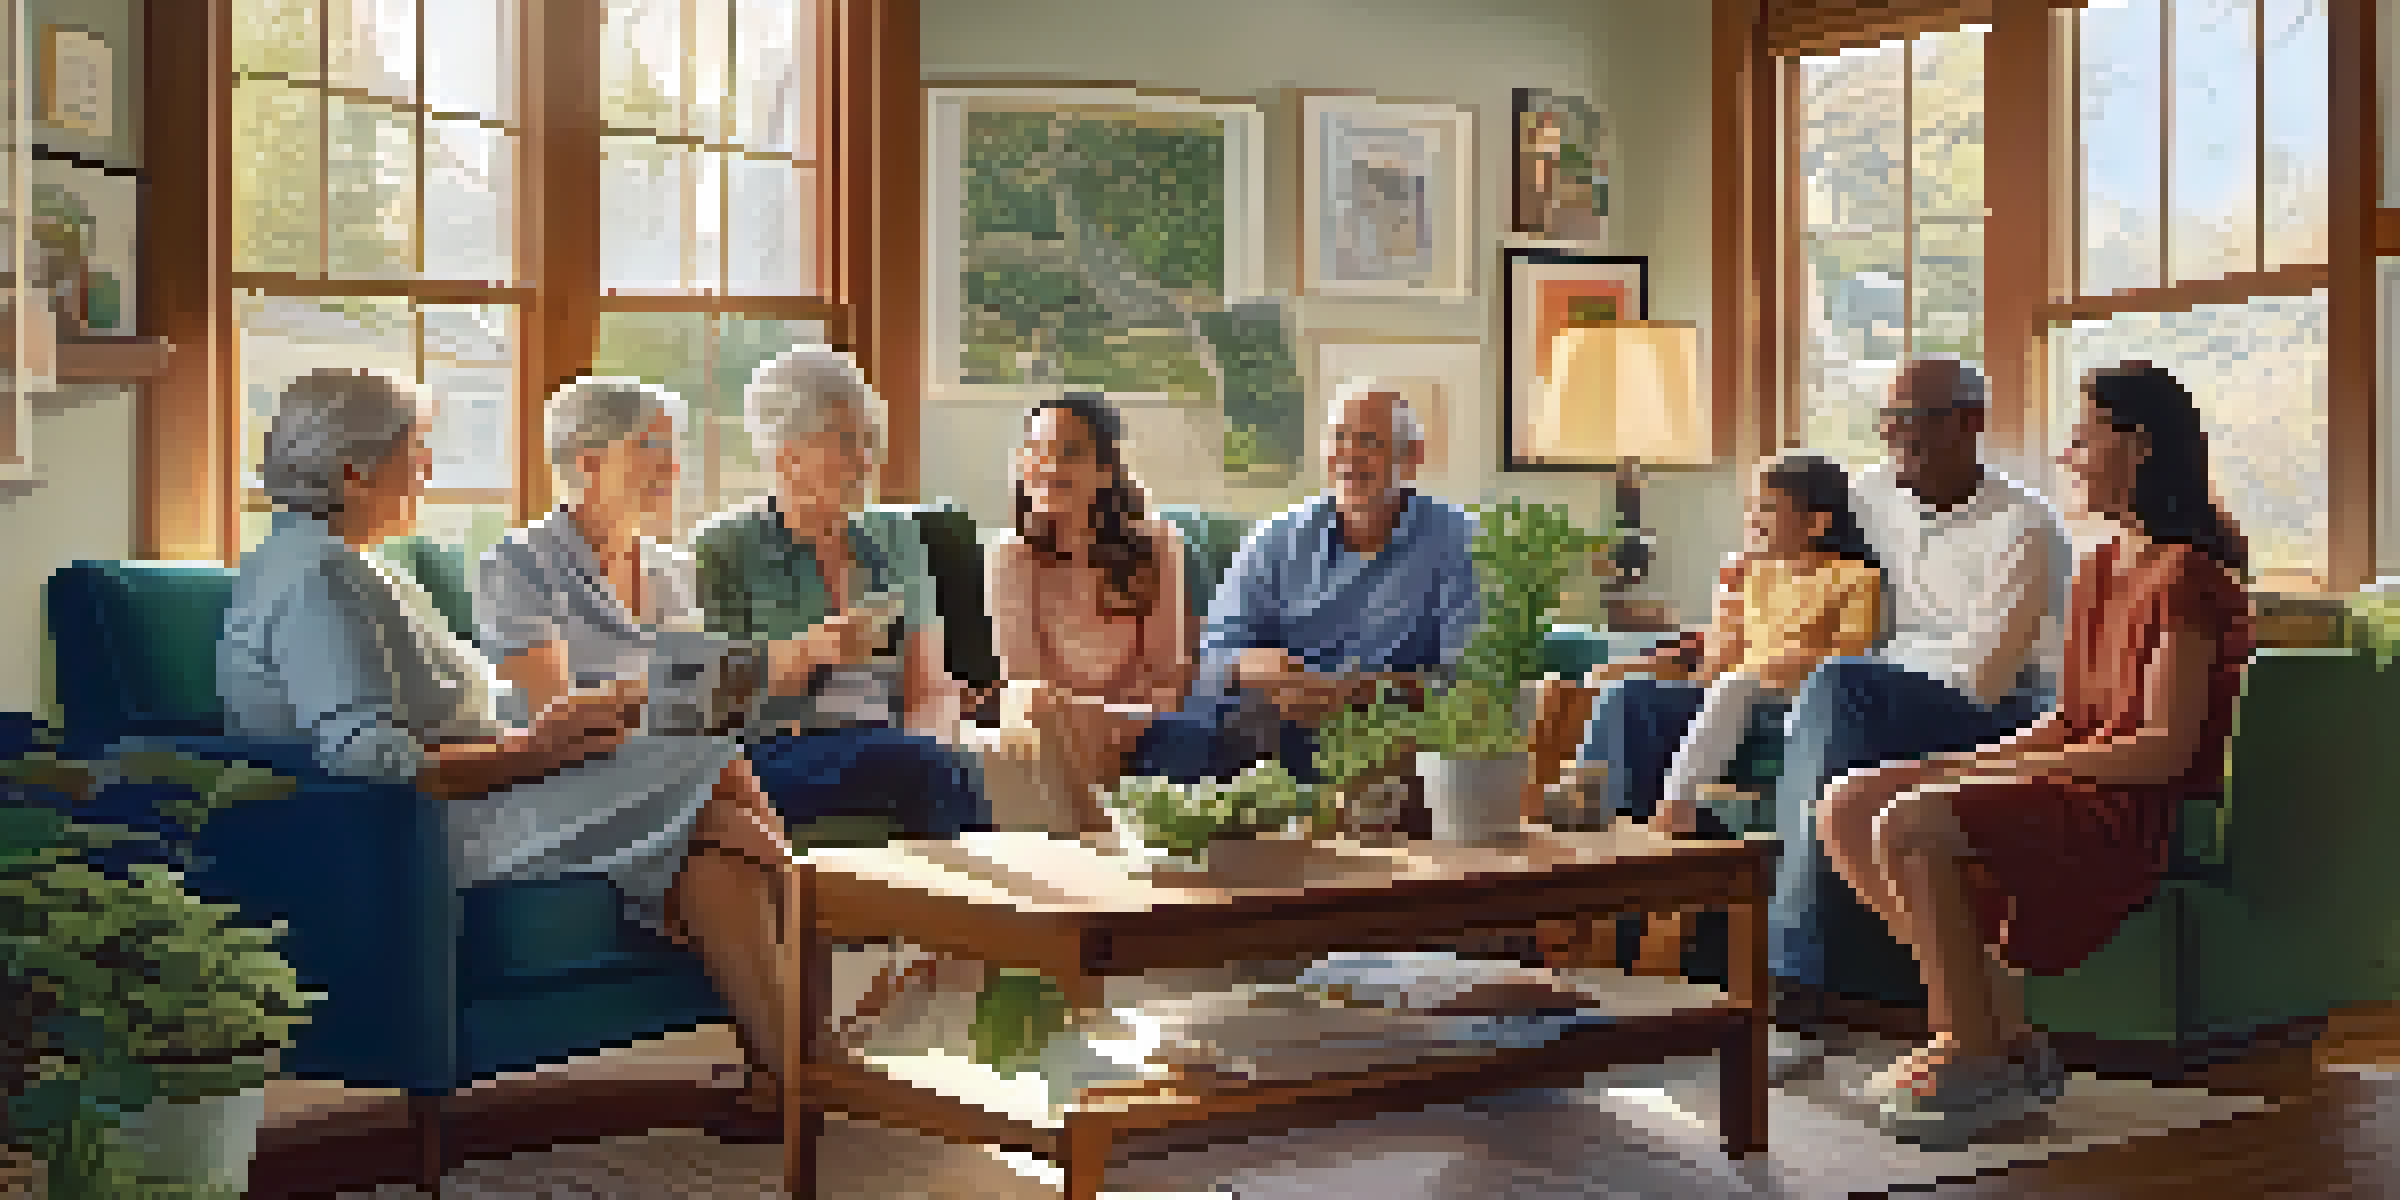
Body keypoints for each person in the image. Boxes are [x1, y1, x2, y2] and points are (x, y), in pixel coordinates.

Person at [219, 367, 800, 1124]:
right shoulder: (320, 581)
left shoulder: (346, 565)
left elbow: (436, 715)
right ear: (356, 470)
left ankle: (782, 1073)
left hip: (478, 798)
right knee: (711, 759)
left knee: (716, 835)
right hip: (419, 838)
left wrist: (562, 728)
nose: (427, 467)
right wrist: (541, 748)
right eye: (415, 449)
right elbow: (375, 761)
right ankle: (806, 1048)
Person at [1821, 361, 2253, 1146]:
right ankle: (2008, 1037)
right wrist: (1966, 764)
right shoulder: (2097, 567)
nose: (2068, 456)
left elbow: (2159, 750)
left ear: (2139, 445)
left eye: (2083, 438)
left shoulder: (2186, 577)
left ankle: (1971, 1047)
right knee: (1850, 803)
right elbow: (2069, 720)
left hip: (2120, 809)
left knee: (1911, 823)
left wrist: (2008, 773)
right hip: (2072, 777)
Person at [691, 346, 987, 842]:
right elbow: (715, 704)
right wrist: (812, 653)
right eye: (847, 442)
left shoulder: (898, 536)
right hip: (772, 751)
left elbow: (930, 688)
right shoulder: (724, 546)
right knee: (921, 769)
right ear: (788, 456)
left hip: (888, 745)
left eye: (871, 441)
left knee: (943, 767)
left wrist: (929, 747)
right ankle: (970, 914)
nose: (867, 461)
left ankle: (959, 910)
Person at [1141, 379, 1482, 784]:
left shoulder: (1461, 541)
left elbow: (1471, 678)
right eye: (1339, 437)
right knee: (1189, 730)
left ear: (1411, 459)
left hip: (1390, 727)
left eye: (1370, 441)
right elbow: (1214, 651)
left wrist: (1353, 692)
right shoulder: (1278, 537)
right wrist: (1254, 664)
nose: (1350, 456)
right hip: (1275, 720)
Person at [984, 392, 1194, 831]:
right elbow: (1026, 681)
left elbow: (1164, 672)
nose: (1047, 466)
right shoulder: (1011, 557)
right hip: (1047, 728)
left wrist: (1108, 722)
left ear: (1105, 471)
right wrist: (1085, 721)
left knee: (1190, 735)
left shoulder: (1156, 544)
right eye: (1036, 453)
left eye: (1067, 454)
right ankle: (1100, 835)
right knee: (1037, 706)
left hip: (1135, 722)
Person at [1647, 453, 1882, 838]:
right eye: (1752, 508)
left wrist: (1783, 663)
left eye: (1768, 508)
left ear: (1816, 522)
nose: (1753, 520)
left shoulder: (1856, 578)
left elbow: (1850, 657)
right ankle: (1594, 808)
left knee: (1736, 685)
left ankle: (1678, 805)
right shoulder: (1754, 575)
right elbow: (1714, 668)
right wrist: (1725, 596)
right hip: (1742, 684)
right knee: (1634, 693)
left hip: (1800, 691)